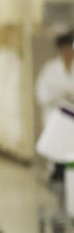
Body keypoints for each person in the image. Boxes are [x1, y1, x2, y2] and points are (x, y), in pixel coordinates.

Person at [35, 30, 74, 181]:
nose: (67, 52)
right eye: (64, 49)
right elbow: (41, 94)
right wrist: (61, 93)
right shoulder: (50, 69)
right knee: (58, 156)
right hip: (57, 117)